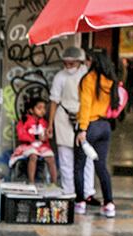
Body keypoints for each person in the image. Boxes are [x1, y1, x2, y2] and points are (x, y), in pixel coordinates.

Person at [75, 49, 119, 218]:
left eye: (86, 60)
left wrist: (82, 129)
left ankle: (80, 202)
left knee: (79, 165)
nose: (85, 63)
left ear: (91, 60)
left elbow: (85, 105)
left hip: (90, 126)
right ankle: (109, 203)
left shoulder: (89, 79)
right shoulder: (111, 80)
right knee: (101, 166)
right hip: (105, 126)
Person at [48, 47, 95, 200]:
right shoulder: (59, 77)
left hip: (83, 117)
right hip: (63, 117)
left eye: (72, 64)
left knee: (86, 156)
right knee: (65, 157)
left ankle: (87, 191)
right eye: (66, 64)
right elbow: (54, 101)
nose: (68, 67)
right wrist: (50, 124)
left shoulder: (87, 74)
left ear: (79, 62)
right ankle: (69, 191)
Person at [10, 97, 56, 185]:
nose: (42, 111)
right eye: (39, 108)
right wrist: (35, 137)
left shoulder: (44, 122)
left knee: (51, 157)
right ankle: (31, 182)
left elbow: (45, 137)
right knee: (33, 155)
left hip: (41, 147)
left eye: (44, 108)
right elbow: (21, 135)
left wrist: (47, 136)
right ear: (31, 110)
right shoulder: (24, 121)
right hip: (27, 146)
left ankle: (53, 183)